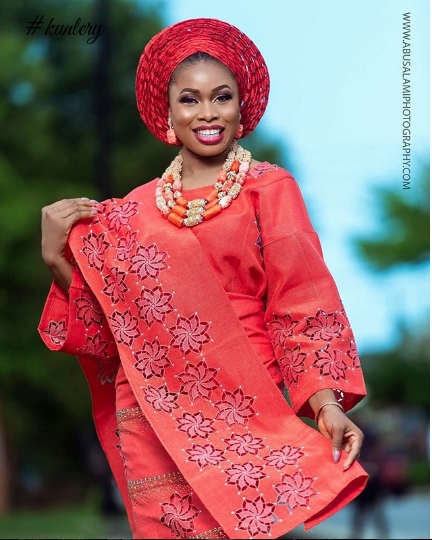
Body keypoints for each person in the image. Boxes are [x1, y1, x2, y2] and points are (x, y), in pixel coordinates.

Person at [38, 18, 369, 539]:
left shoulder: (269, 189)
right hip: (152, 409)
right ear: (167, 113)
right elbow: (110, 328)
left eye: (222, 97)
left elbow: (302, 301)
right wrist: (57, 256)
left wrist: (326, 405)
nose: (208, 113)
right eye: (190, 100)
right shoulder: (133, 211)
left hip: (246, 399)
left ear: (243, 109)